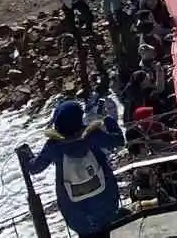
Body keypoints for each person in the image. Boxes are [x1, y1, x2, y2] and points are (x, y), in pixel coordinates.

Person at [23, 100, 124, 238]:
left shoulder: (54, 146)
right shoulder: (92, 136)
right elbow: (118, 141)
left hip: (76, 215)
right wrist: (109, 121)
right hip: (105, 205)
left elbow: (34, 168)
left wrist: (26, 157)